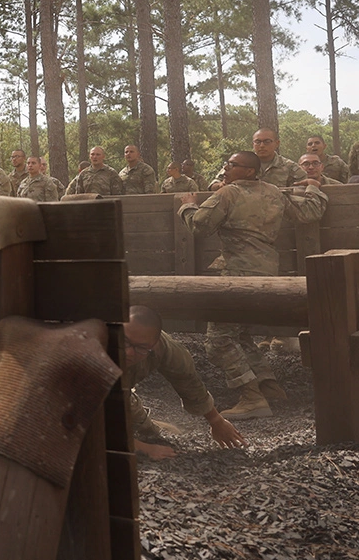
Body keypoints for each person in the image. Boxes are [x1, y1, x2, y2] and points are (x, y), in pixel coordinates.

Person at [179, 151, 327, 418]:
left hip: (236, 273)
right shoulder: (274, 192)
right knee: (240, 334)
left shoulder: (228, 193)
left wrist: (187, 206)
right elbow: (309, 212)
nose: (226, 168)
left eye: (232, 165)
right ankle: (268, 386)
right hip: (266, 273)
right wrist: (314, 188)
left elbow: (199, 226)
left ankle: (252, 398)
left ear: (249, 171)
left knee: (218, 341)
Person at [123, 306, 246, 460]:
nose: (128, 352)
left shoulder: (167, 349)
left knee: (149, 433)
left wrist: (216, 421)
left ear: (154, 345)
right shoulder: (97, 346)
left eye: (140, 347)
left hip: (122, 389)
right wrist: (143, 448)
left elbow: (189, 382)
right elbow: (96, 426)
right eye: (124, 341)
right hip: (100, 390)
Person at [210, 129, 306, 190]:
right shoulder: (239, 164)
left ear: (277, 143)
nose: (262, 145)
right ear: (253, 144)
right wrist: (221, 185)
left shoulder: (289, 167)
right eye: (258, 142)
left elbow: (303, 188)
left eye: (267, 141)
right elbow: (213, 185)